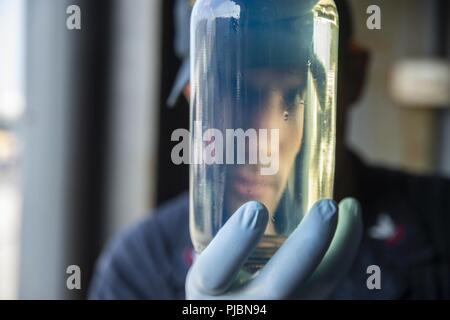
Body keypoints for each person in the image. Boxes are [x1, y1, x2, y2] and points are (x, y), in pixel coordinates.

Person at [88, 0, 450, 299]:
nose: (262, 138)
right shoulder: (139, 269)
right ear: (193, 97)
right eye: (232, 90)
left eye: (294, 93)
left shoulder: (441, 223)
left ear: (352, 79)